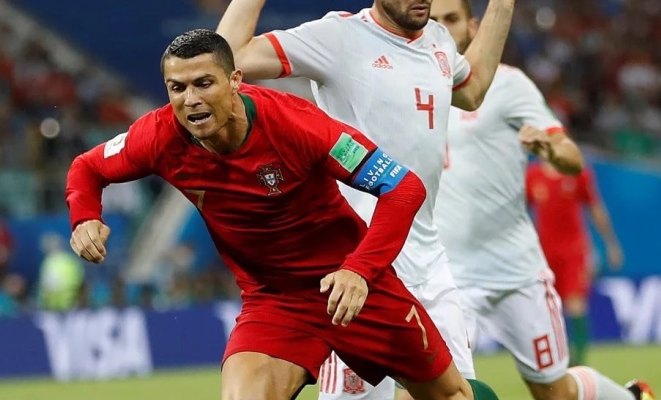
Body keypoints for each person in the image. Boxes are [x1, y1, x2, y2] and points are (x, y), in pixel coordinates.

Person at [66, 29, 499, 400]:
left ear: (235, 81)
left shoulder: (296, 125)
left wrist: (360, 271)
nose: (191, 100)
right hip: (275, 302)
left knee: (453, 395)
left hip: (353, 290)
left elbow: (403, 187)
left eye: (203, 83)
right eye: (177, 88)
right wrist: (84, 216)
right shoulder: (159, 136)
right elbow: (87, 167)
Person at [217, 0, 515, 397]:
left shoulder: (439, 41)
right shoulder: (338, 36)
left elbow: (473, 90)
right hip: (354, 271)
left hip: (428, 265)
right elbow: (227, 60)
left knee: (458, 393)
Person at [430, 1, 653, 399]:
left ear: (473, 26)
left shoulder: (507, 84)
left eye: (451, 19)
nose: (442, 29)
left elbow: (571, 156)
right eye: (433, 20)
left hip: (514, 270)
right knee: (437, 390)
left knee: (554, 393)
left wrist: (550, 150)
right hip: (446, 276)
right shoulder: (405, 84)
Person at [526, 161, 623, 366]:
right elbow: (520, 213)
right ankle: (555, 357)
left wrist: (611, 244)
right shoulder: (532, 176)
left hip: (573, 251)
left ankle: (578, 360)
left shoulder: (577, 172)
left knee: (575, 302)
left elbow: (595, 208)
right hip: (543, 252)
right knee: (547, 305)